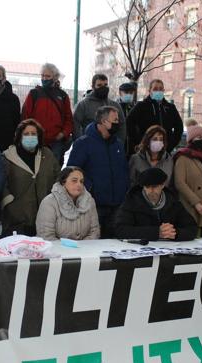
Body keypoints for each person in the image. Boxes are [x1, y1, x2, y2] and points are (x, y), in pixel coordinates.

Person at [67, 106, 129, 238]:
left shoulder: (118, 144)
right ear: (103, 122)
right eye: (115, 120)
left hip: (117, 205)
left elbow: (124, 171)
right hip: (94, 205)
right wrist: (89, 189)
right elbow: (72, 172)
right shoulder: (83, 144)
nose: (118, 123)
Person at [1, 119, 60, 236]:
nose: (30, 137)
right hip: (17, 219)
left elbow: (58, 177)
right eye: (26, 134)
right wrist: (9, 203)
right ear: (19, 136)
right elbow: (2, 183)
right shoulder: (7, 157)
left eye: (34, 134)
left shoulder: (47, 154)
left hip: (46, 217)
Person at [116, 168, 198, 241]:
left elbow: (192, 228)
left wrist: (174, 233)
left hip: (168, 250)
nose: (150, 191)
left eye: (154, 186)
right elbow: (120, 230)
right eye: (147, 187)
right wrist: (156, 232)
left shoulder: (174, 203)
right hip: (141, 250)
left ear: (163, 185)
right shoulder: (131, 202)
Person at [21, 63, 74, 162]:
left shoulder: (63, 96)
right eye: (42, 76)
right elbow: (25, 116)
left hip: (56, 143)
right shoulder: (34, 94)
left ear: (55, 77)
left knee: (54, 172)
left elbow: (69, 119)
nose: (44, 79)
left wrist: (63, 134)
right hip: (35, 140)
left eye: (48, 76)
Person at [174, 125, 202, 237]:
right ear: (191, 139)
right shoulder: (183, 157)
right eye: (199, 137)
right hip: (189, 207)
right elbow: (180, 182)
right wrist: (196, 203)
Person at [36, 166, 100, 241]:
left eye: (81, 181)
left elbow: (94, 232)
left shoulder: (90, 201)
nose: (79, 184)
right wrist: (69, 249)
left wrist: (82, 248)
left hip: (85, 250)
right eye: (74, 181)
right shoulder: (49, 202)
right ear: (63, 182)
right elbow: (45, 236)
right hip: (57, 250)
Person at [126, 79, 183, 155]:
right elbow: (129, 123)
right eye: (155, 89)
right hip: (145, 152)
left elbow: (179, 127)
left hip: (165, 151)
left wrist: (171, 144)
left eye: (160, 89)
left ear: (163, 91)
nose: (158, 91)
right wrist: (139, 142)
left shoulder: (170, 108)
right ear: (150, 91)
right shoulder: (141, 106)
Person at [73, 74, 126, 143]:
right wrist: (82, 143)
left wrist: (119, 143)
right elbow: (75, 124)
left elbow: (122, 125)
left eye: (105, 85)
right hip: (90, 147)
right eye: (99, 85)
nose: (103, 87)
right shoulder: (83, 105)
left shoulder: (115, 105)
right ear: (93, 87)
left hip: (110, 146)